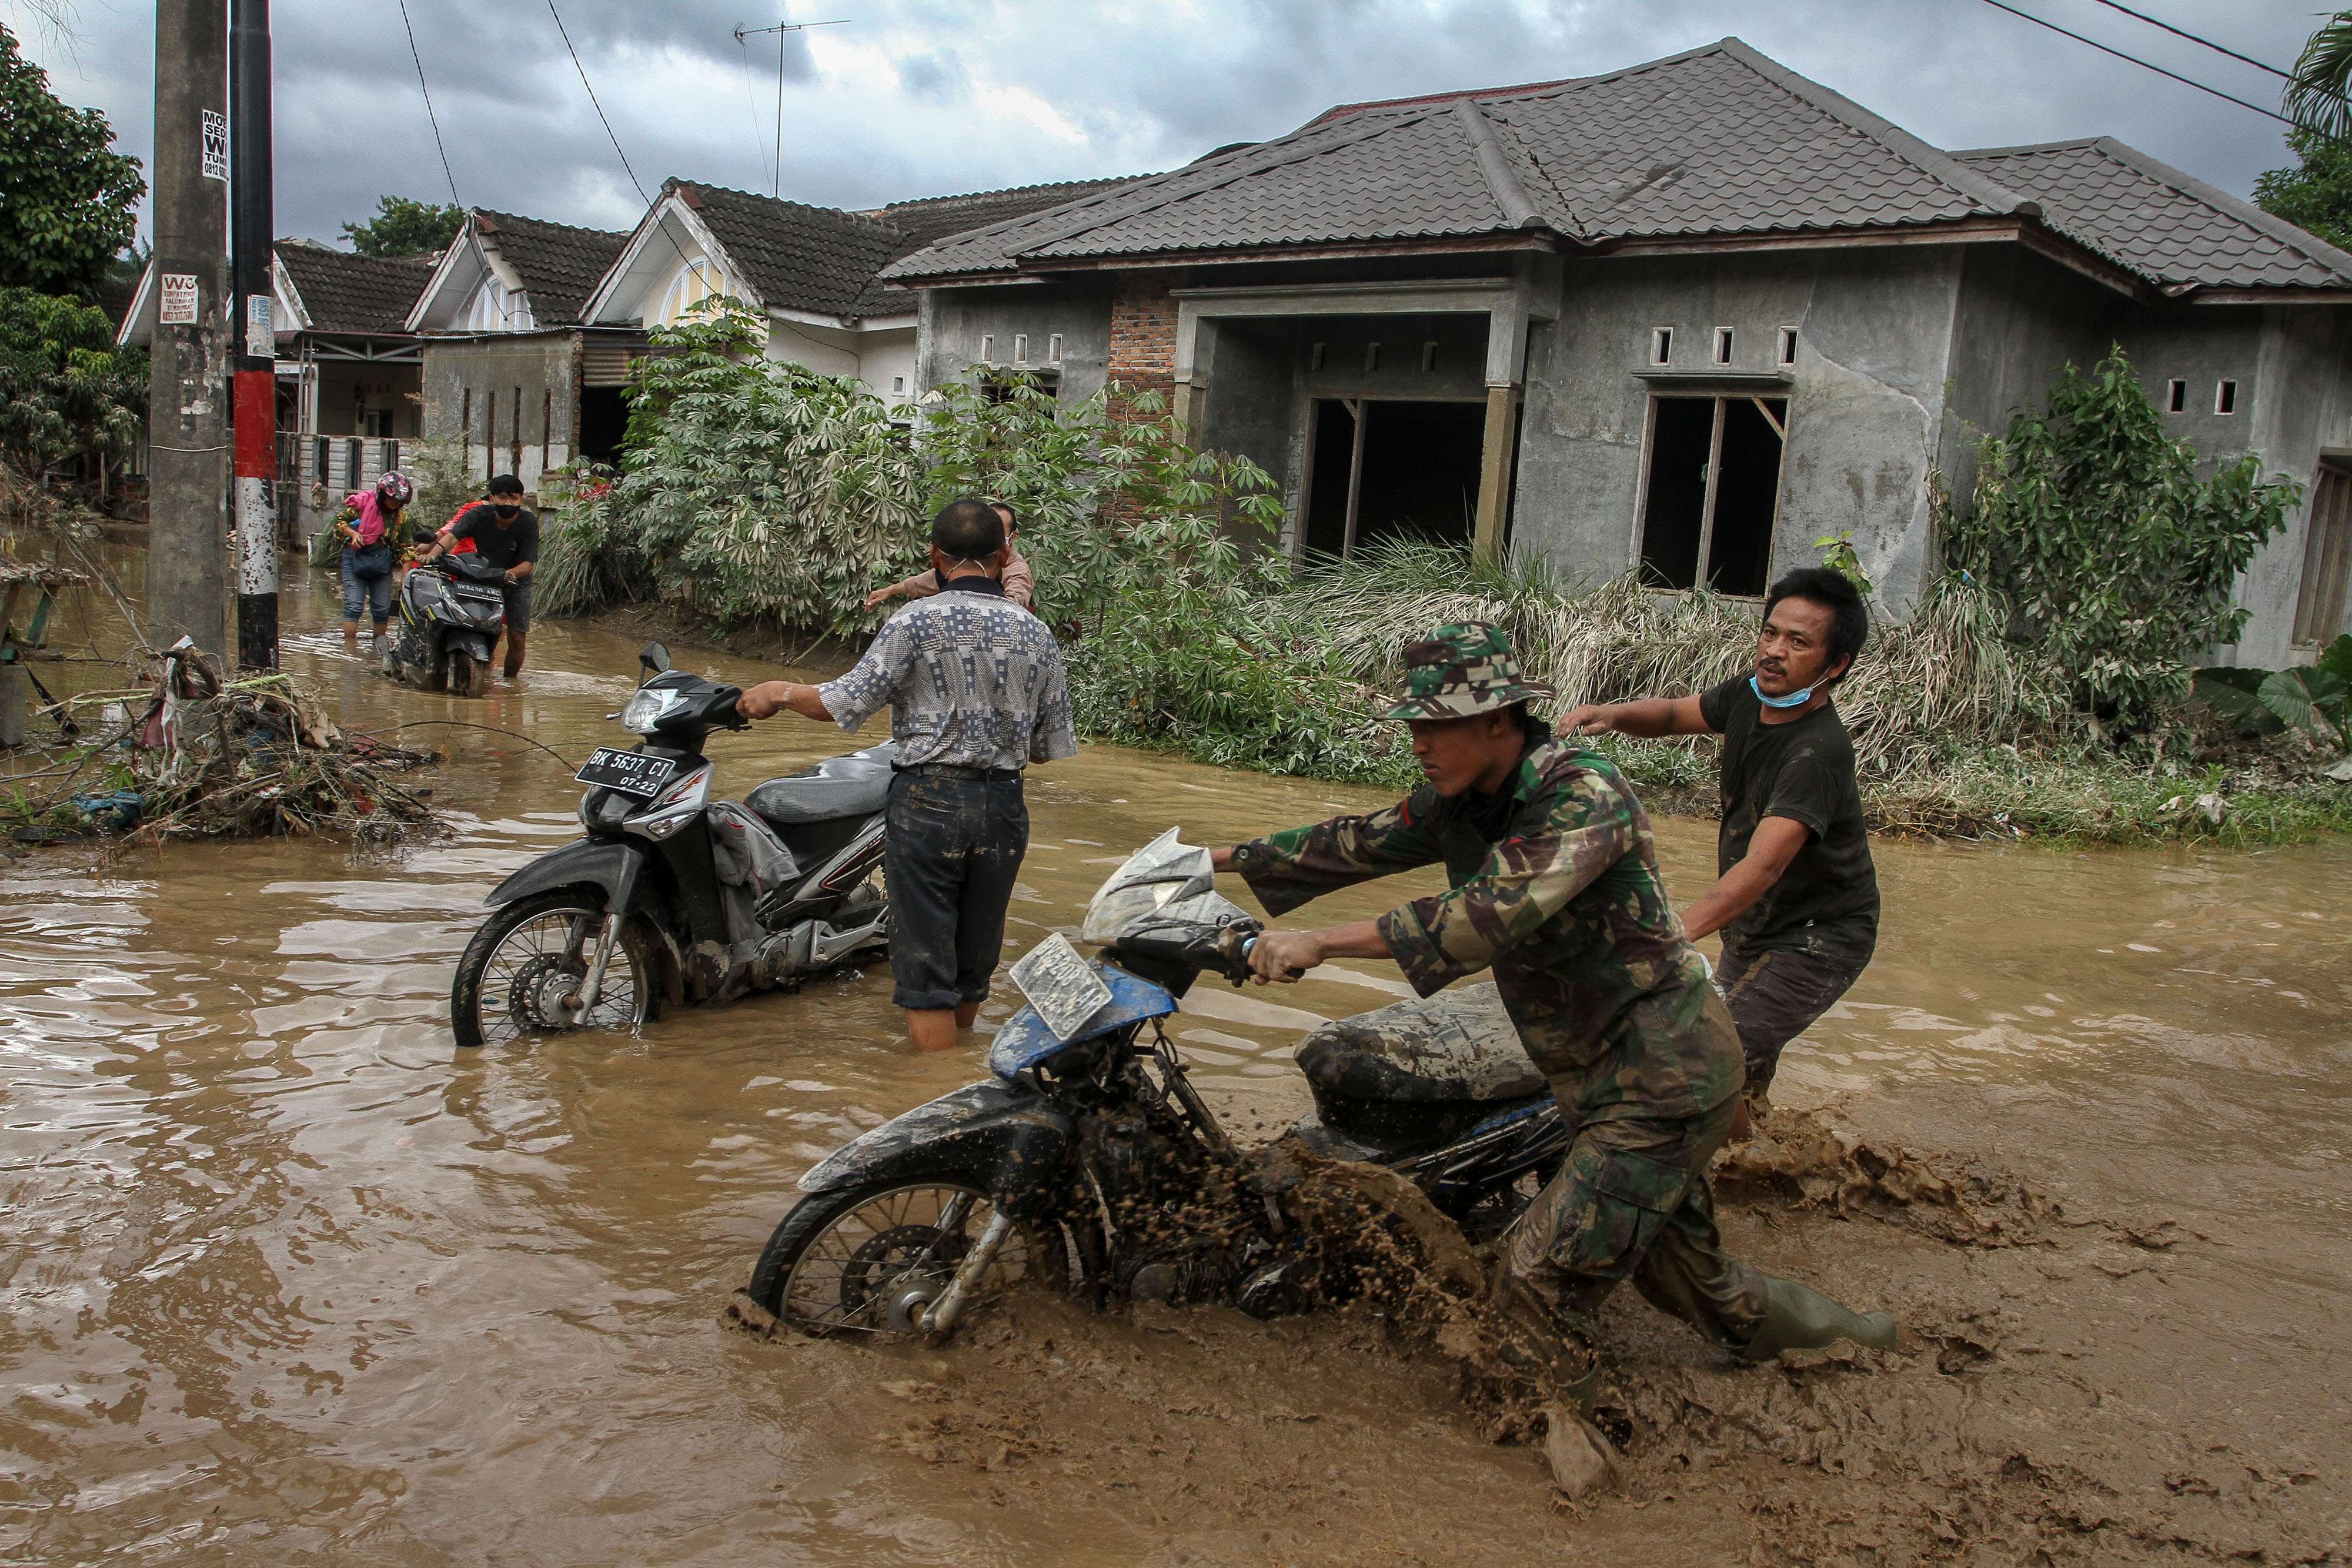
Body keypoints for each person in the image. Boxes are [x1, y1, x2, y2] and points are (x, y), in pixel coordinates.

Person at [1208, 622, 1893, 1398]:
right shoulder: (1463, 800)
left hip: (1664, 1078)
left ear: (1498, 720)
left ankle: (1586, 1456)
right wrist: (1206, 860)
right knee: (1697, 1287)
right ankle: (1874, 1340)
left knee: (1531, 1282)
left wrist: (1320, 941)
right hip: (1596, 1074)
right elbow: (1357, 840)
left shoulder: (1582, 794)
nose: (1420, 745)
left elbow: (1484, 914)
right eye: (1414, 728)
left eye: (1438, 726)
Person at [738, 497, 1077, 1053]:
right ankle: (963, 1073)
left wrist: (779, 692)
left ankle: (928, 1094)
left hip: (928, 803)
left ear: (935, 556)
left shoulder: (914, 620)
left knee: (925, 969)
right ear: (1005, 553)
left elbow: (844, 702)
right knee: (974, 958)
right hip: (1003, 808)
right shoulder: (1035, 633)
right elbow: (1045, 748)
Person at [1559, 567, 1879, 1135]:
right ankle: (1758, 1162)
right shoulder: (1748, 697)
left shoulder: (1818, 752)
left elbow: (1763, 866)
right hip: (1755, 928)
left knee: (1701, 1053)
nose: (1775, 651)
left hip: (1817, 940)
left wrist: (1668, 934)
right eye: (1771, 633)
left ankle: (1748, 1169)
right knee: (1737, 1072)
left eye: (1798, 642)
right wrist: (1610, 714)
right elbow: (1677, 713)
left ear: (1836, 664)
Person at [415, 474, 539, 678]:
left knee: (517, 637)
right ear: (492, 498)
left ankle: (510, 682)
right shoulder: (478, 514)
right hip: (480, 575)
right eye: (502, 497)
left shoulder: (528, 522)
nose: (508, 503)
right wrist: (432, 556)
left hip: (515, 581)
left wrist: (509, 574)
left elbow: (528, 565)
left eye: (514, 498)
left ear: (521, 500)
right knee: (464, 618)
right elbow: (452, 536)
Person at [867, 500, 1035, 610]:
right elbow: (928, 581)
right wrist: (889, 591)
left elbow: (1016, 598)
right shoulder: (918, 618)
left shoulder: (1017, 571)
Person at [332, 470, 417, 657]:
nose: (396, 504)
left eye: (399, 502)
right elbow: (338, 523)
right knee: (354, 604)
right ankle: (350, 650)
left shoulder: (402, 518)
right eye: (392, 500)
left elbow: (406, 548)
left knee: (381, 608)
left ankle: (378, 649)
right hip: (355, 559)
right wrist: (353, 534)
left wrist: (406, 577)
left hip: (382, 563)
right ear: (382, 494)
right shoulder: (362, 506)